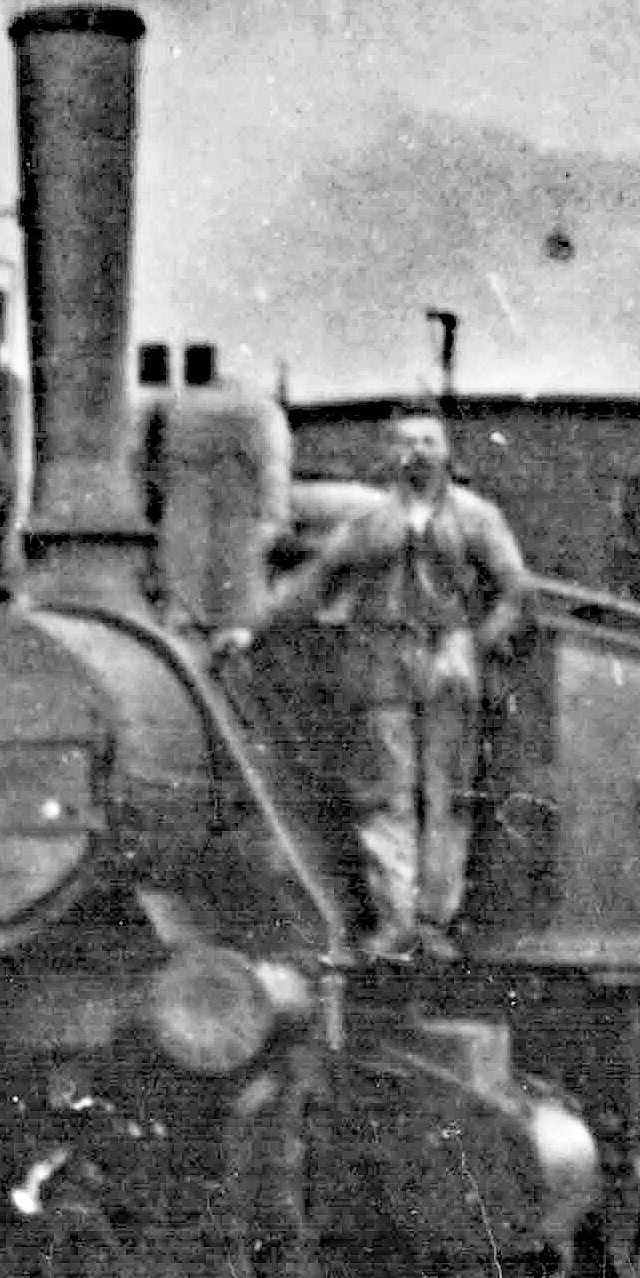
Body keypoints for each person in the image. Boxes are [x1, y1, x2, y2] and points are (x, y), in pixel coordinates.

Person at [218, 409, 533, 961]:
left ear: (446, 451)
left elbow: (515, 590)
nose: (419, 452)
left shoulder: (478, 517)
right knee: (386, 794)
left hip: (450, 665)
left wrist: (474, 644)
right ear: (390, 454)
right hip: (381, 663)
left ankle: (434, 922)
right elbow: (313, 582)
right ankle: (396, 921)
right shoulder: (368, 523)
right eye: (407, 442)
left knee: (447, 796)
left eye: (429, 441)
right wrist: (251, 628)